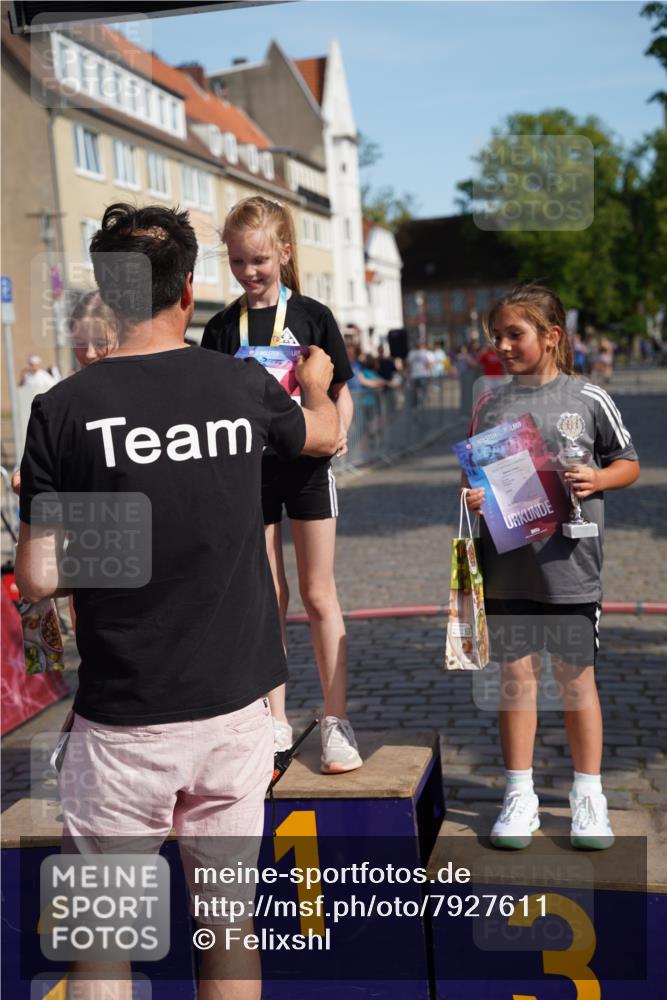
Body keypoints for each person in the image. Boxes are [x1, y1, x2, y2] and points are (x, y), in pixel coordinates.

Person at [15, 202, 339, 1000]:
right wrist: (323, 386)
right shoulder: (238, 383)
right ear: (187, 290)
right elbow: (322, 437)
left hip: (125, 718)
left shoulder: (63, 410)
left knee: (103, 945)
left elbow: (37, 579)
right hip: (234, 715)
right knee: (227, 935)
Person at [464, 283, 639, 851]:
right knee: (516, 683)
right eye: (498, 336)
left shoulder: (589, 397)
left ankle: (589, 795)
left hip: (569, 567)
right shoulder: (490, 403)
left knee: (574, 682)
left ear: (551, 336)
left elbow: (629, 463)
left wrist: (599, 478)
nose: (505, 345)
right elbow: (480, 478)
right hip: (508, 565)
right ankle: (520, 794)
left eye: (515, 334)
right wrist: (474, 498)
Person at [201, 196, 362, 775]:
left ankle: (336, 722)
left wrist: (338, 430)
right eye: (239, 262)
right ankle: (273, 720)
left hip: (310, 470)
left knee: (320, 594)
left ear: (285, 254)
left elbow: (342, 387)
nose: (250, 272)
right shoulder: (221, 328)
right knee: (269, 597)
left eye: (260, 260)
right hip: (252, 475)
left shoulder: (314, 316)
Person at [405, 338, 432, 406]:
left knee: (423, 390)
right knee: (414, 391)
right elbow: (409, 365)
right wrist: (408, 374)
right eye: (418, 344)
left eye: (421, 344)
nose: (419, 345)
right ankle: (415, 404)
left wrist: (429, 372)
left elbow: (430, 363)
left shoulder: (427, 353)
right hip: (414, 375)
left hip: (424, 375)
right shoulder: (412, 353)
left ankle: (423, 403)